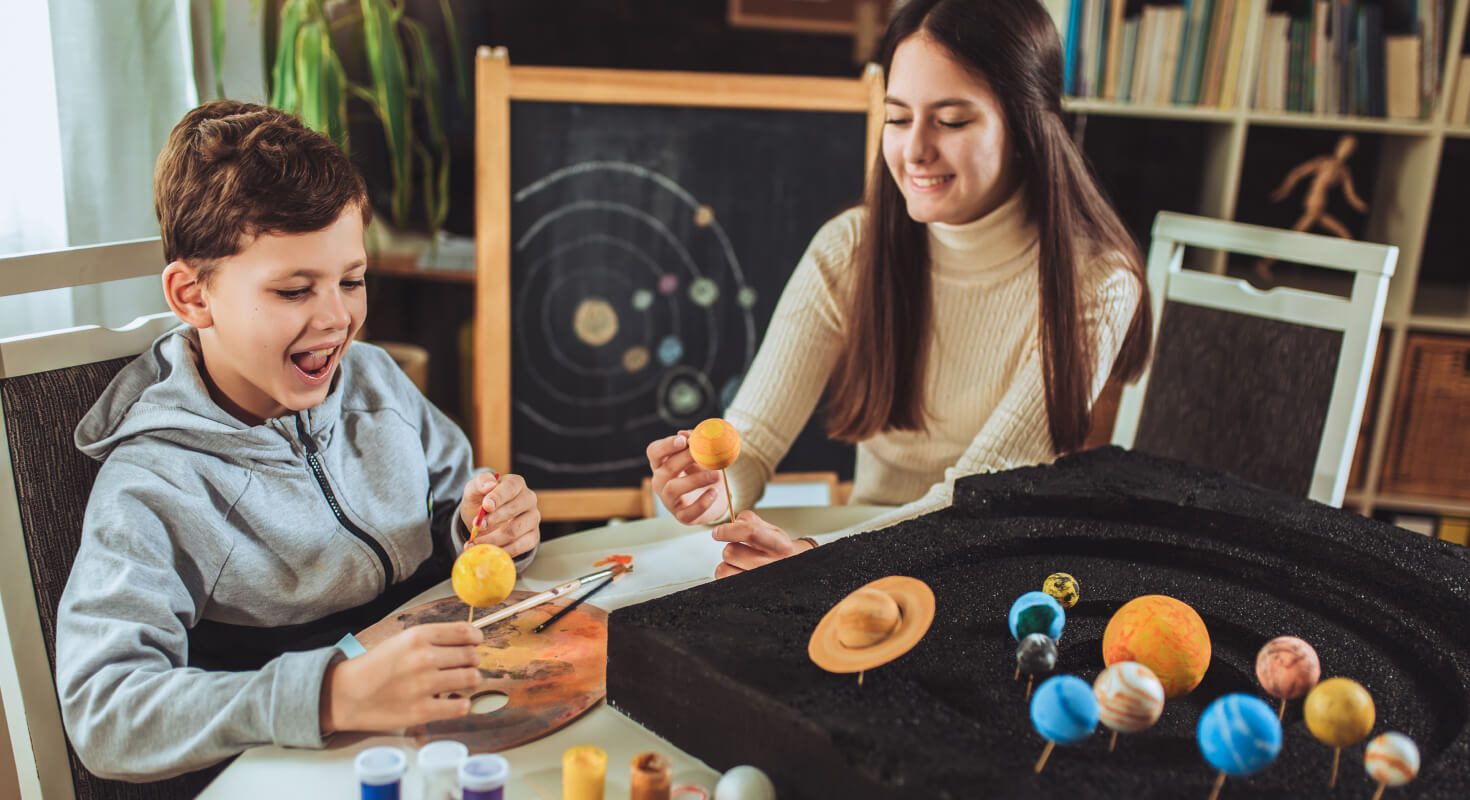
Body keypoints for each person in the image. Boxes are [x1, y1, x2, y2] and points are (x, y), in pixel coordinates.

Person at [54, 100, 541, 781]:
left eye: (352, 280)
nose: (338, 319)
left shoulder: (373, 379)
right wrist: (331, 694)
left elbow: (453, 496)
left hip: (440, 735)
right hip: (298, 770)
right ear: (193, 297)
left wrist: (482, 524)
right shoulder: (153, 484)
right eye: (292, 290)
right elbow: (106, 714)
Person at [646, 0, 1152, 578]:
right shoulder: (849, 249)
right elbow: (753, 442)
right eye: (898, 117)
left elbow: (976, 501)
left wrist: (817, 563)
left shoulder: (1097, 282)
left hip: (985, 571)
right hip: (857, 553)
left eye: (953, 120)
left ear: (1027, 127)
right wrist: (710, 490)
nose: (915, 150)